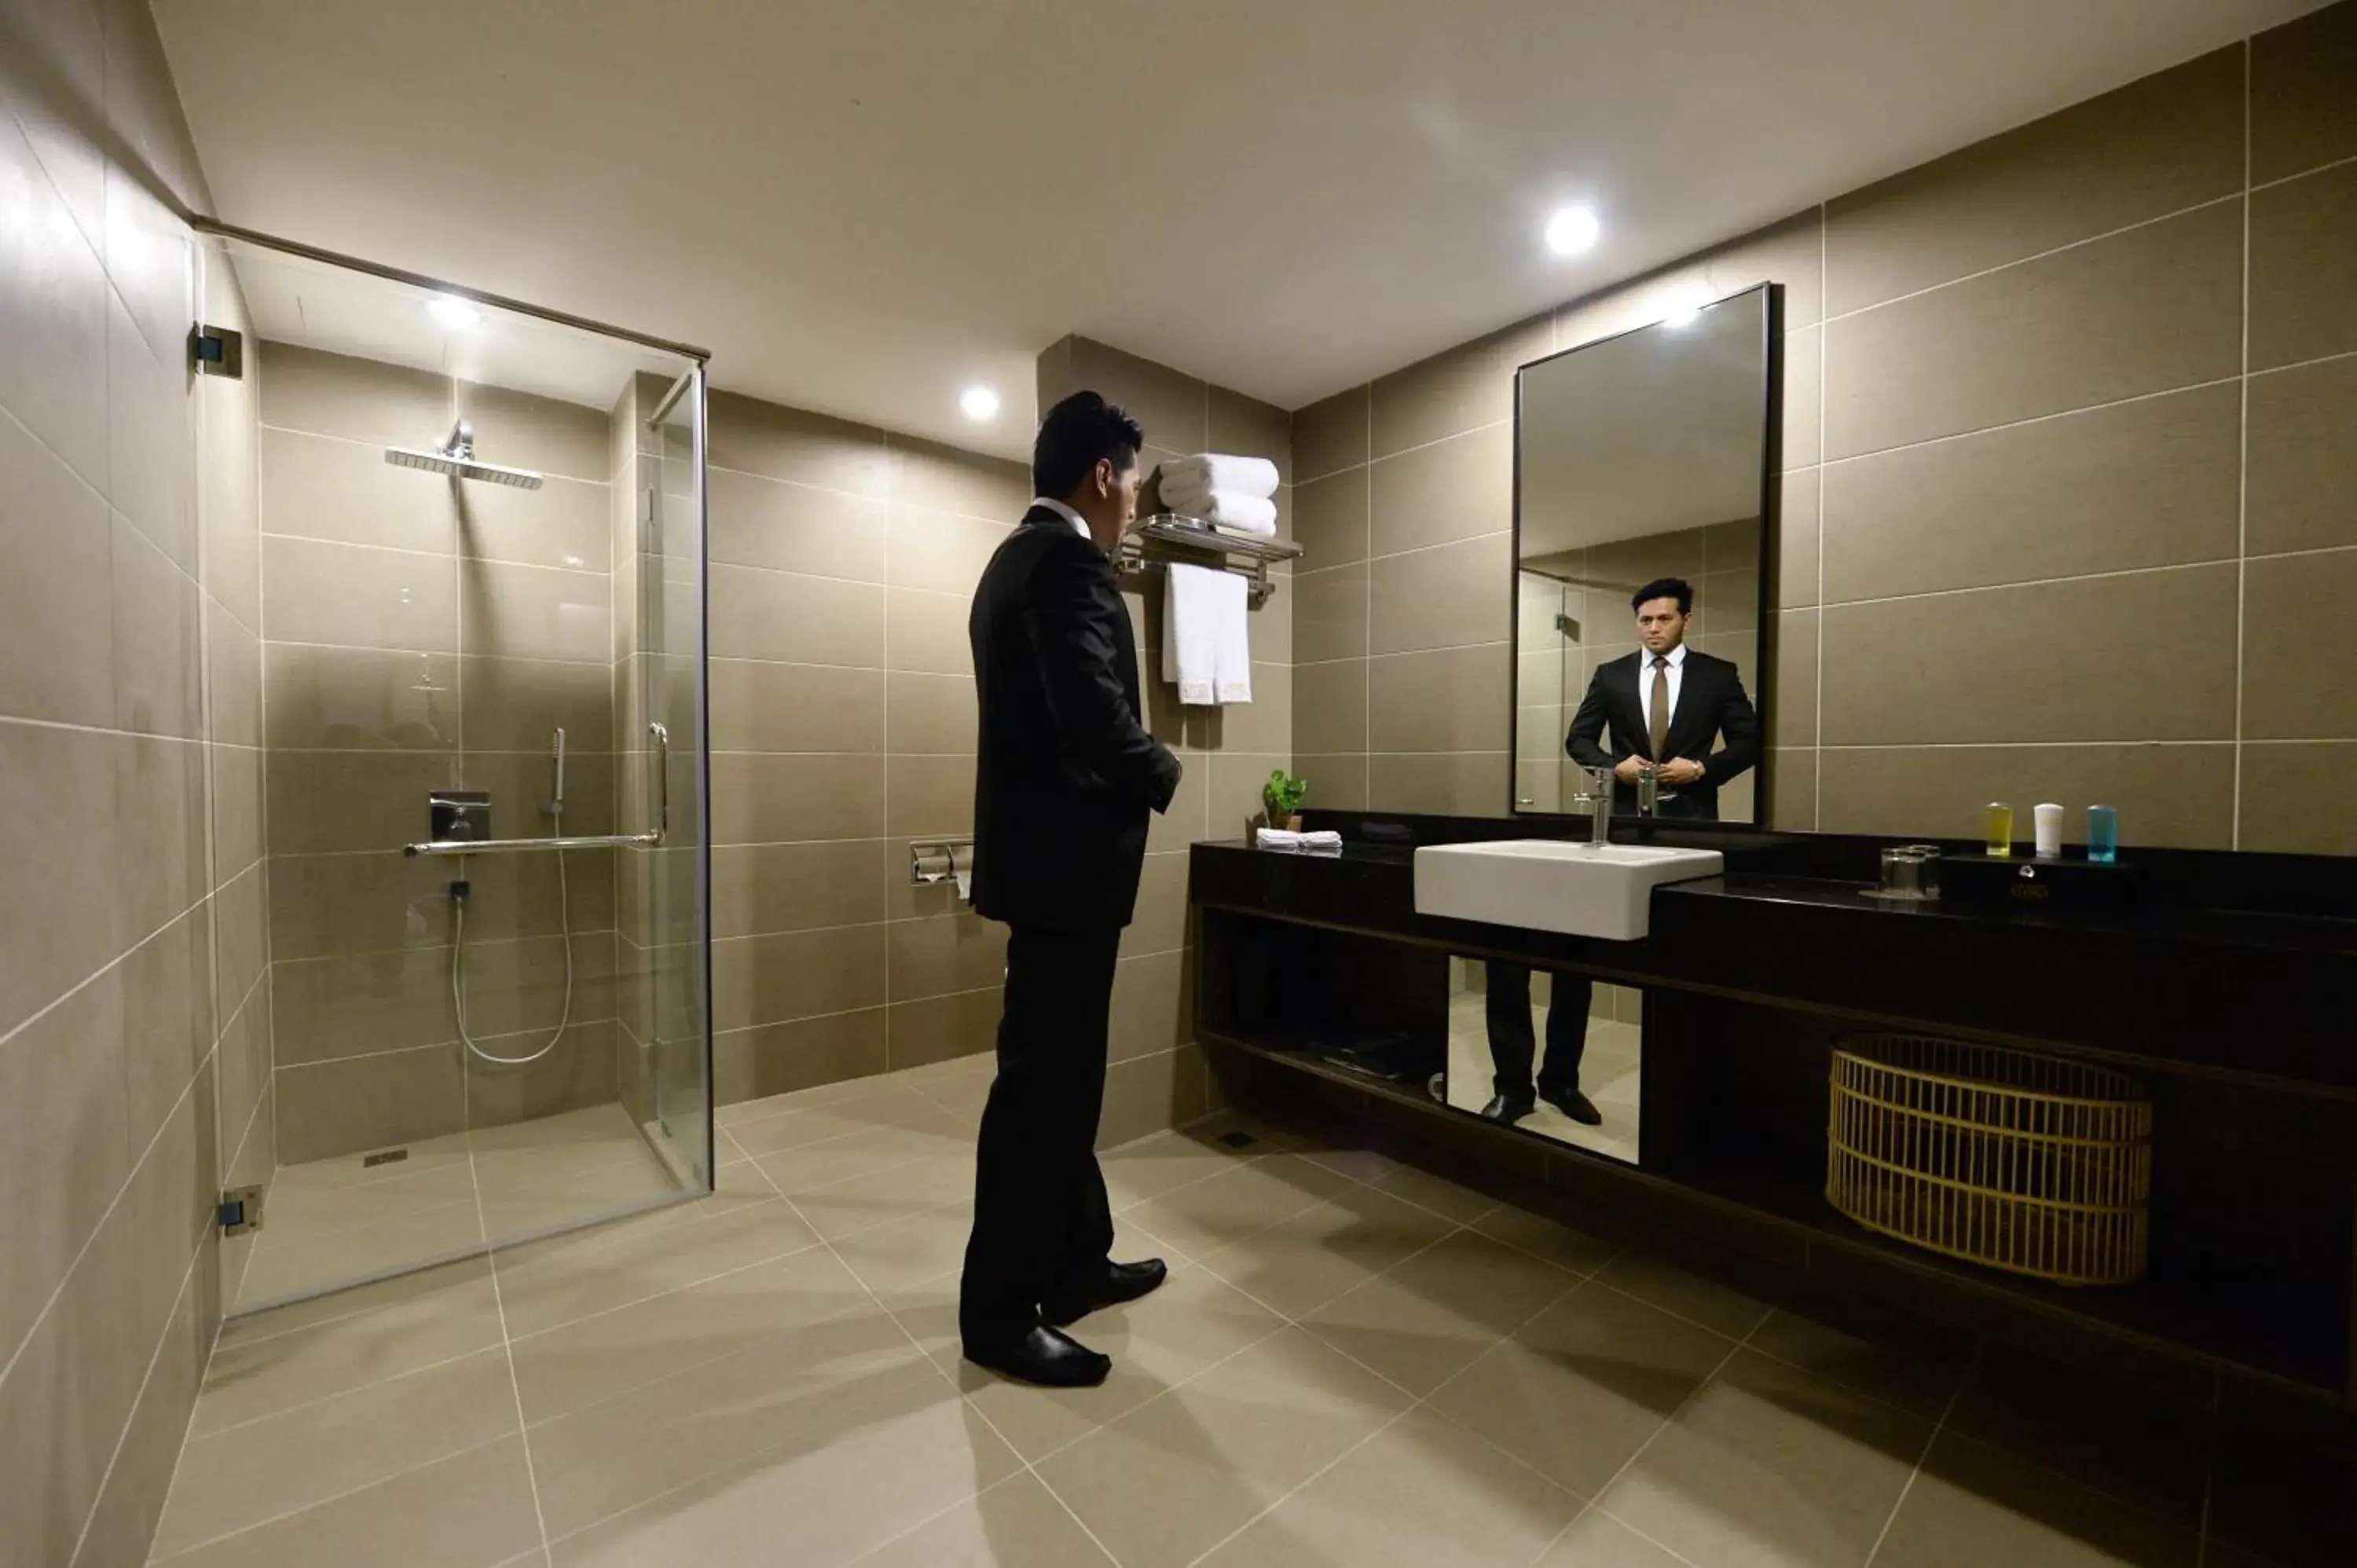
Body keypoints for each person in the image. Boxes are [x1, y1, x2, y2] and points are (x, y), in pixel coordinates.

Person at [959, 390, 1184, 1389]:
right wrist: (1161, 767)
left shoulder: (1010, 561)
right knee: (1040, 1094)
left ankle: (1074, 1263)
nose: (1133, 501)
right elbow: (1090, 712)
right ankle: (999, 1314)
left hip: (1044, 868)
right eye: (1132, 480)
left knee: (1061, 1082)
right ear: (1104, 474)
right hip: (1068, 876)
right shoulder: (1070, 565)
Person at [1479, 577, 1758, 1129]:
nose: (1654, 628)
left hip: (1692, 830)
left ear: (1686, 620)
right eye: (1645, 620)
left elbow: (1749, 741)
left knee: (1680, 958)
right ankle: (1544, 1084)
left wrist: (1702, 768)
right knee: (1575, 956)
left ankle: (1610, 1087)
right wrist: (1614, 766)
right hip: (1620, 827)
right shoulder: (1610, 676)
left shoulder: (1717, 675)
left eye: (1664, 619)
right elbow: (1577, 739)